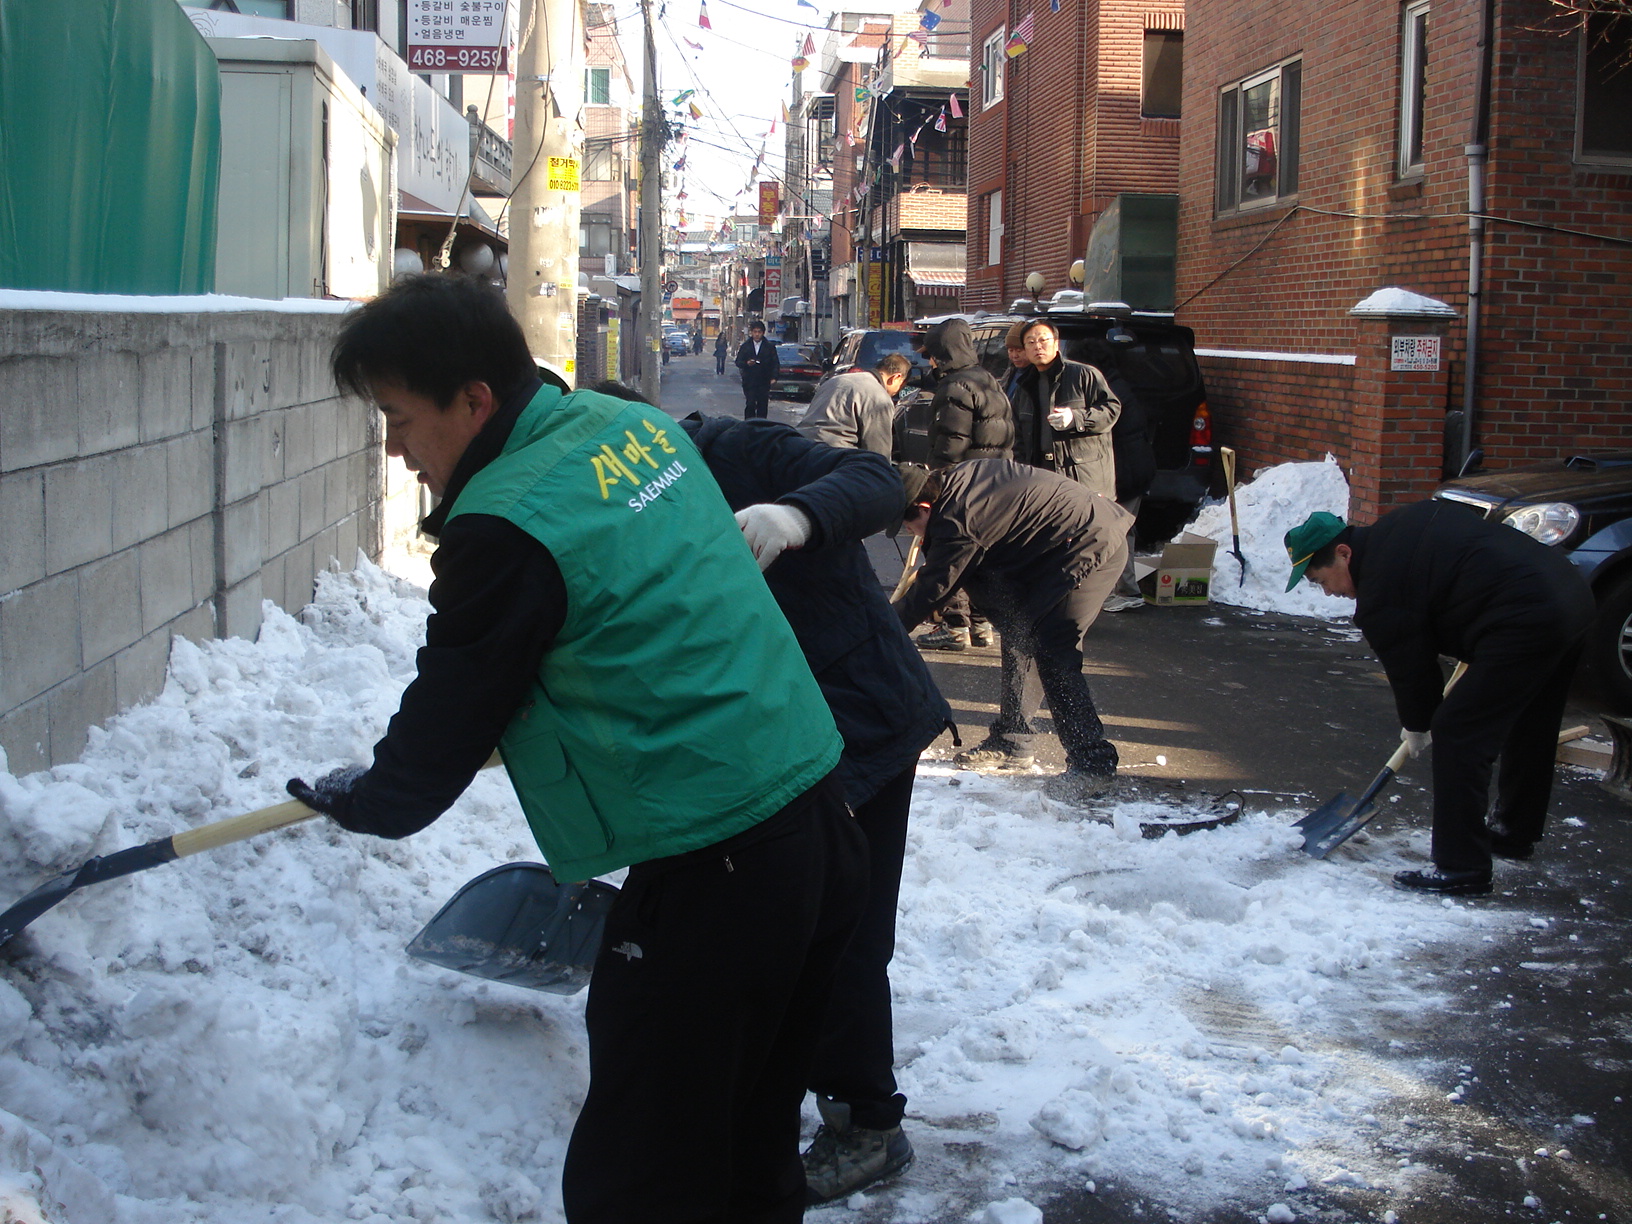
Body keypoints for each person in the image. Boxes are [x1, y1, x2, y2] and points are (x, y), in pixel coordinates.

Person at [286, 275, 867, 1223]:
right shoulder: (614, 425)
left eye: (397, 417)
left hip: (717, 869)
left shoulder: (507, 524)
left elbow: (450, 711)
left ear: (473, 400)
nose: (392, 448)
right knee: (750, 1147)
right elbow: (621, 605)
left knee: (636, 1179)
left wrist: (371, 797)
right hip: (813, 821)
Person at [675, 411, 952, 1206]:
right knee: (787, 928)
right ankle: (792, 1092)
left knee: (843, 933)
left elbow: (876, 480)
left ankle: (866, 1127)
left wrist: (795, 515)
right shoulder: (629, 509)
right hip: (778, 738)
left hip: (858, 724)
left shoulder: (732, 448)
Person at [1286, 503, 1596, 896]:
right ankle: (1514, 833)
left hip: (1525, 615)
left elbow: (1413, 671)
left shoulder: (1381, 589)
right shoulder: (1398, 526)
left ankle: (1462, 867)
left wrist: (1419, 724)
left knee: (1458, 733)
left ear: (1344, 554)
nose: (1328, 591)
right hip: (1568, 595)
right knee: (1530, 721)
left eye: (1320, 579)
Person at [894, 458, 1131, 802]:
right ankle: (1013, 740)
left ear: (925, 507)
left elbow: (933, 587)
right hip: (1058, 545)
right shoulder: (954, 484)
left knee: (1053, 648)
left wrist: (886, 630)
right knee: (1022, 630)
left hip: (1089, 544)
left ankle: (1092, 764)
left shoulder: (960, 519)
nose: (910, 533)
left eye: (908, 524)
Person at [913, 318, 1014, 653]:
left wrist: (935, 486)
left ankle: (954, 627)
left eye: (932, 354)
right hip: (996, 484)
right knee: (981, 556)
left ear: (943, 353)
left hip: (962, 486)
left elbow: (951, 444)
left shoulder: (956, 387)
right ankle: (982, 624)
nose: (928, 361)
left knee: (947, 554)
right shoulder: (988, 380)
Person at [1011, 317, 1120, 497]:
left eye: (1043, 340)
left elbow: (1111, 410)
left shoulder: (1083, 374)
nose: (1037, 346)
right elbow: (1017, 437)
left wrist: (1076, 419)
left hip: (1082, 479)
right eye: (1030, 342)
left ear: (1056, 344)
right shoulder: (1024, 387)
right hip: (1041, 478)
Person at [1101, 364, 1156, 613]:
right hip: (1135, 469)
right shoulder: (1119, 385)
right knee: (1124, 530)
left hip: (1126, 473)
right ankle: (1125, 589)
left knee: (1118, 531)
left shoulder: (1108, 392)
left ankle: (1126, 590)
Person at [796, 353, 912, 457]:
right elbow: (878, 452)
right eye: (900, 386)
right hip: (836, 459)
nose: (896, 392)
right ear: (896, 377)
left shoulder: (835, 380)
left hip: (801, 449)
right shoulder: (880, 397)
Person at [736, 320, 780, 419]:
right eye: (755, 332)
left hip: (764, 380)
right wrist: (747, 363)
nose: (757, 334)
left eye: (759, 332)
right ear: (751, 332)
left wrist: (774, 377)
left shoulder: (769, 347)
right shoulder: (746, 346)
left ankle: (761, 426)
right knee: (750, 404)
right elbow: (738, 362)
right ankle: (749, 425)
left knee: (762, 405)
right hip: (749, 380)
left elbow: (775, 363)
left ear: (763, 333)